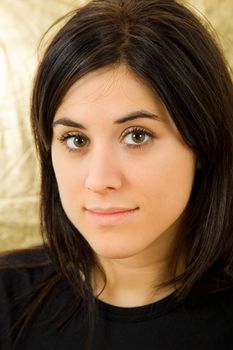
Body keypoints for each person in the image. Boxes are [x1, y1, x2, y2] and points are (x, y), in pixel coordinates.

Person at [1, 0, 233, 349]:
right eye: (75, 139)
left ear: (202, 141)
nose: (99, 179)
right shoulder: (6, 299)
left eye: (137, 136)